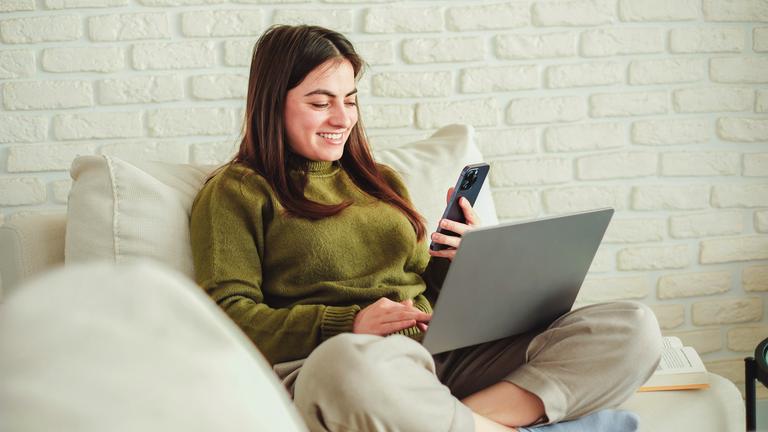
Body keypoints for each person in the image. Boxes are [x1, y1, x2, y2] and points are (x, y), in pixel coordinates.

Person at [189, 24, 662, 432]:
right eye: (320, 102)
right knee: (348, 364)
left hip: (438, 354)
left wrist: (460, 263)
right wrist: (349, 324)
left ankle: (458, 421)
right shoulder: (238, 191)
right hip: (351, 365)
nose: (342, 119)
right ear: (274, 103)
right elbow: (227, 316)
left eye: (350, 100)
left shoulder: (378, 180)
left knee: (630, 328)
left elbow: (424, 289)